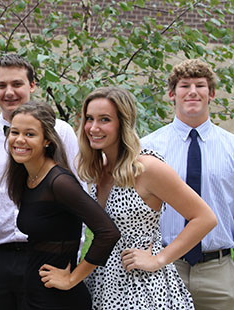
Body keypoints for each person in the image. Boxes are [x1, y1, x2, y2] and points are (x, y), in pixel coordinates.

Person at [68, 86, 217, 309]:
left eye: (105, 119)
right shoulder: (101, 169)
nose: (93, 127)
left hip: (143, 287)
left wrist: (159, 259)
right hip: (103, 282)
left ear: (123, 123)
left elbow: (205, 218)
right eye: (89, 119)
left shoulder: (146, 167)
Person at [0, 53, 81, 310]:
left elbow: (79, 193)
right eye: (1, 85)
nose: (9, 92)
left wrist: (72, 256)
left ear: (32, 85)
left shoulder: (60, 131)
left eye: (17, 84)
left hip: (48, 256)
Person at [4, 101, 120, 309]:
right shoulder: (27, 177)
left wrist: (73, 278)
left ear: (47, 140)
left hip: (58, 299)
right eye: (14, 132)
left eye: (30, 134)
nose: (19, 140)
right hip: (34, 291)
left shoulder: (60, 182)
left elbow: (108, 232)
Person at [140, 59, 234, 310]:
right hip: (163, 264)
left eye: (200, 85)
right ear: (172, 94)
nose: (192, 91)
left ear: (211, 93)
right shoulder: (147, 147)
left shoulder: (231, 148)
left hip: (218, 270)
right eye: (184, 86)